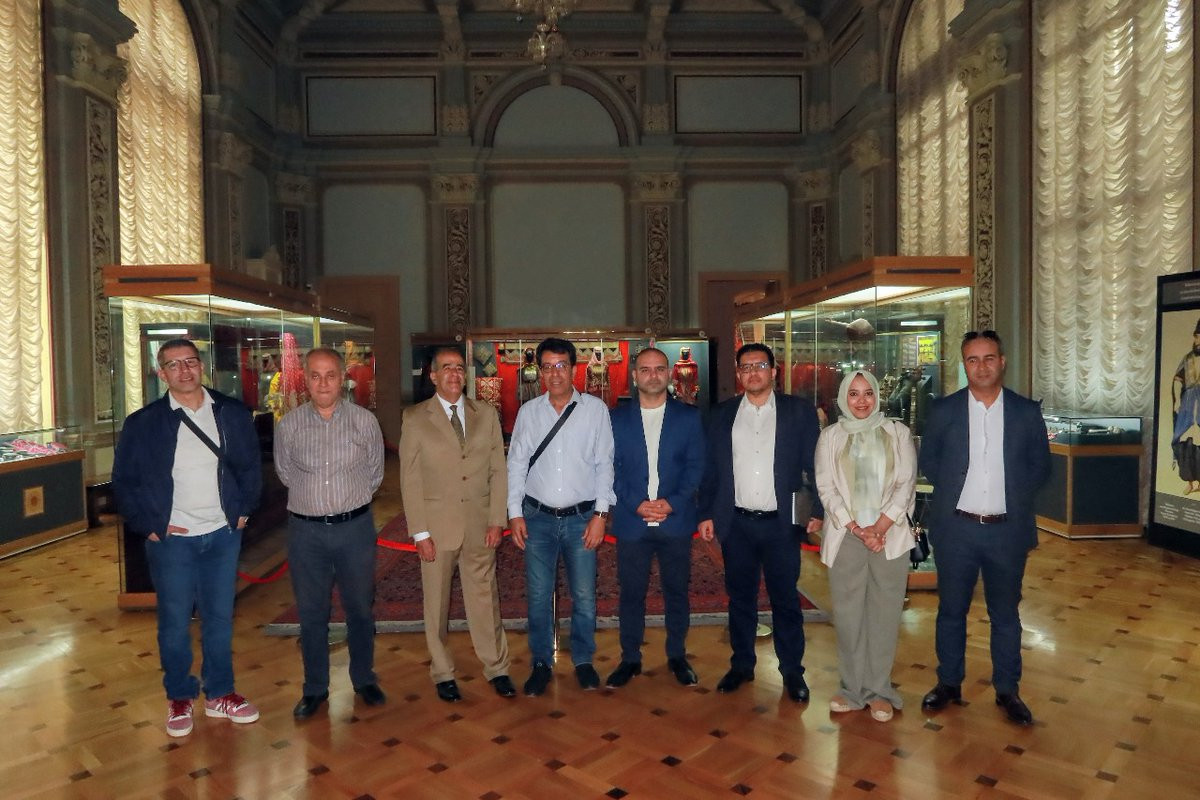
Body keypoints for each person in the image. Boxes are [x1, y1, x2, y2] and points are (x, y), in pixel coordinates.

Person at [112, 339, 262, 738]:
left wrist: (244, 509)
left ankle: (220, 693)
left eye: (190, 362)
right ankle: (179, 696)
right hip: (172, 540)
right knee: (175, 622)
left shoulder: (231, 412)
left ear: (201, 365)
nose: (184, 370)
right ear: (161, 373)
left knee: (219, 619)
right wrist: (149, 524)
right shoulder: (143, 423)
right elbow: (124, 481)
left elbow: (250, 466)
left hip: (222, 534)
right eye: (173, 364)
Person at [919, 330, 1050, 725]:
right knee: (951, 610)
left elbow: (1041, 467)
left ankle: (1008, 690)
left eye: (988, 358)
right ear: (964, 365)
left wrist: (1011, 495)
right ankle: (948, 682)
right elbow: (930, 462)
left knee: (1005, 614)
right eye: (972, 360)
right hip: (956, 530)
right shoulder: (944, 410)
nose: (981, 367)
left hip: (1007, 532)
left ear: (1002, 361)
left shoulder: (1025, 412)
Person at [698, 343, 824, 702]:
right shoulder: (722, 414)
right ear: (738, 374)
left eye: (760, 365)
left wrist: (817, 510)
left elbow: (815, 464)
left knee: (786, 599)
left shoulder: (798, 411)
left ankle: (792, 671)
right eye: (746, 367)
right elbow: (711, 470)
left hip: (781, 525)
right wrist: (705, 512)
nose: (753, 372)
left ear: (774, 371)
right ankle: (741, 665)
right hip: (736, 523)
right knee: (740, 598)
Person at [399, 346, 516, 702]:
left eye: (460, 368)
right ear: (433, 375)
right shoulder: (415, 418)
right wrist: (420, 532)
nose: (454, 373)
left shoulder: (486, 414)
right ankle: (442, 672)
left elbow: (498, 470)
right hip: (436, 529)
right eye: (446, 368)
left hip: (480, 524)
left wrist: (497, 519)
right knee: (436, 603)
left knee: (485, 598)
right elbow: (410, 479)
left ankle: (497, 667)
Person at [275, 347, 386, 719]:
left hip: (354, 530)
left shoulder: (364, 422)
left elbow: (375, 474)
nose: (323, 383)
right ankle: (314, 688)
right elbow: (285, 473)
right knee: (311, 613)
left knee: (360, 609)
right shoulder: (289, 426)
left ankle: (364, 679)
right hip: (306, 533)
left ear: (343, 379)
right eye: (315, 376)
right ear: (305, 380)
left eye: (331, 375)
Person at [507, 337, 615, 696]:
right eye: (548, 367)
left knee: (584, 595)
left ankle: (583, 660)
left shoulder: (595, 410)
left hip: (581, 518)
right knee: (538, 595)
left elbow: (605, 465)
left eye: (561, 366)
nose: (555, 374)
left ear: (574, 368)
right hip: (537, 518)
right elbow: (516, 464)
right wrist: (514, 513)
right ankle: (541, 661)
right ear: (539, 371)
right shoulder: (529, 412)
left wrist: (601, 514)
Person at [814, 370, 917, 723]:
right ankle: (851, 689)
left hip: (890, 537)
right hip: (847, 537)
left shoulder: (897, 433)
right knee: (848, 616)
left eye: (868, 393)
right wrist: (858, 528)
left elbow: (906, 484)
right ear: (844, 398)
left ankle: (879, 691)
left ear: (877, 396)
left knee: (884, 615)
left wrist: (881, 526)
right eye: (854, 394)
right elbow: (826, 488)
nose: (862, 401)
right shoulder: (830, 436)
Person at [606, 347, 706, 688]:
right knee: (631, 593)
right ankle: (630, 658)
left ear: (669, 374)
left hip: (674, 520)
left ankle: (677, 655)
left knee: (676, 591)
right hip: (632, 521)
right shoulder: (616, 419)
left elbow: (696, 466)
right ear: (635, 376)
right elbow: (610, 468)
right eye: (645, 369)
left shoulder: (688, 417)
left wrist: (672, 503)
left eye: (659, 369)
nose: (653, 375)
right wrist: (635, 503)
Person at [1170, 320, 1200, 494]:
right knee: (1182, 440)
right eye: (1197, 337)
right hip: (1188, 404)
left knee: (1198, 441)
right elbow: (1177, 380)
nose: (1198, 340)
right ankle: (1190, 480)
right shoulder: (1188, 359)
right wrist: (1177, 402)